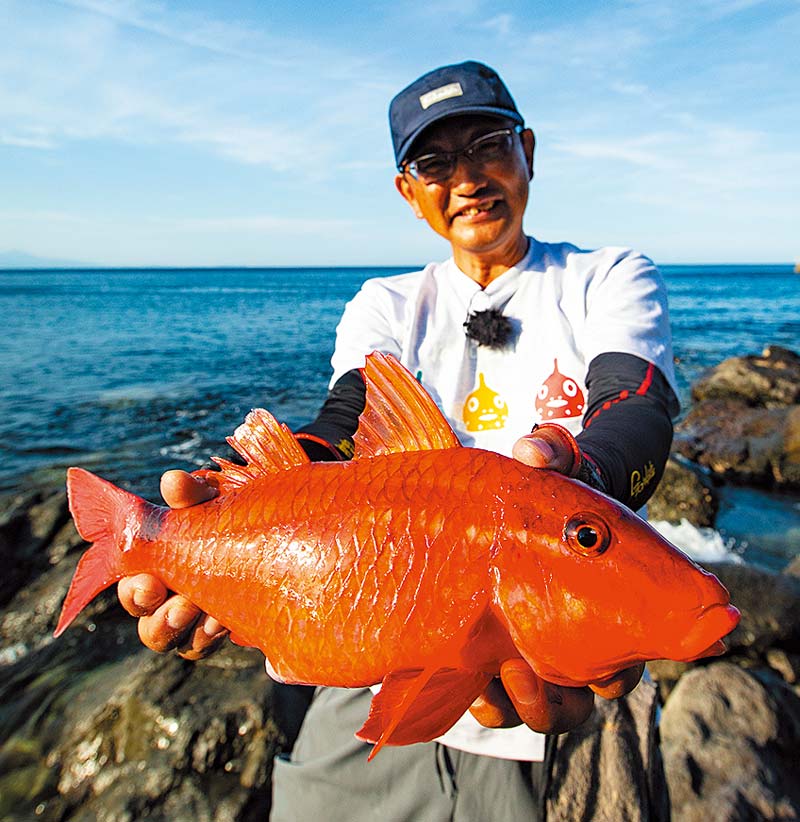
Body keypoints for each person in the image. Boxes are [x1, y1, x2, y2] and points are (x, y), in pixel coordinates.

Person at [118, 61, 679, 820]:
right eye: (434, 162)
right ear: (407, 191)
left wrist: (580, 479)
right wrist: (236, 517)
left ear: (530, 153)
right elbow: (340, 430)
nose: (469, 178)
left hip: (536, 704)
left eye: (489, 143)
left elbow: (636, 406)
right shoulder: (385, 304)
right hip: (365, 677)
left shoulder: (607, 276)